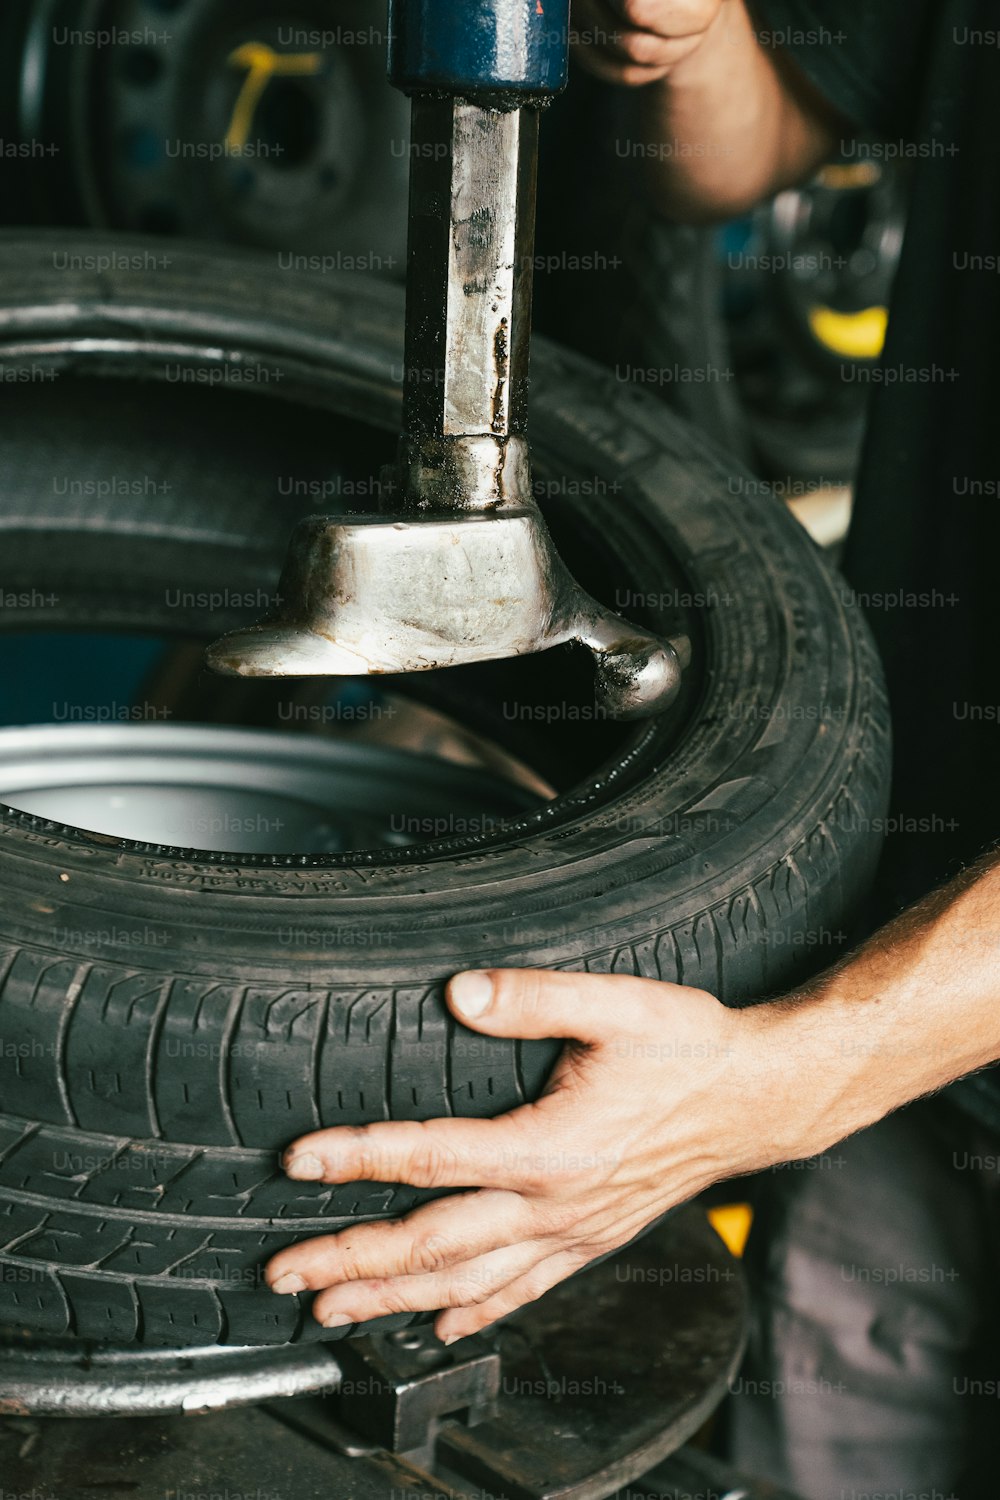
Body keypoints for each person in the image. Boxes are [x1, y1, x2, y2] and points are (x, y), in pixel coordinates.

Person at [264, 3, 1000, 1493]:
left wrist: (776, 1084)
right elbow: (749, 147)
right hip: (902, 974)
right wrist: (686, 36)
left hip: (865, 1040)